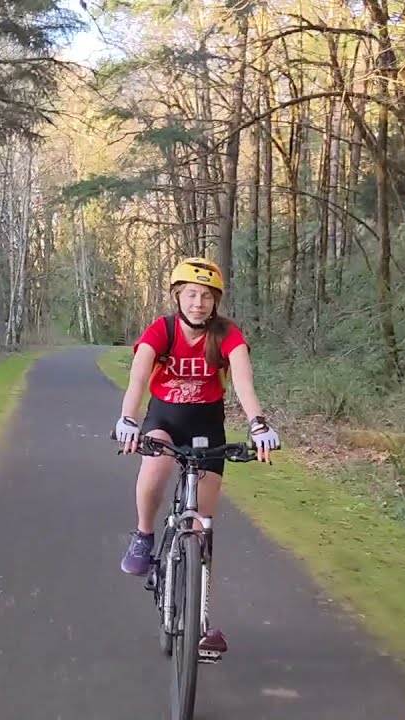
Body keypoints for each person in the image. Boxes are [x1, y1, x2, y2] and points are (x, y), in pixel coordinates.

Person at [112, 256, 281, 655]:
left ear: (216, 301)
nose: (198, 303)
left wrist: (257, 423)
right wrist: (127, 419)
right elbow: (138, 378)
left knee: (203, 530)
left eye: (206, 296)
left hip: (207, 426)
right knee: (156, 464)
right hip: (164, 418)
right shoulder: (162, 330)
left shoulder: (227, 335)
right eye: (191, 294)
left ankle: (200, 623)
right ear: (177, 296)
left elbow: (242, 381)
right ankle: (144, 535)